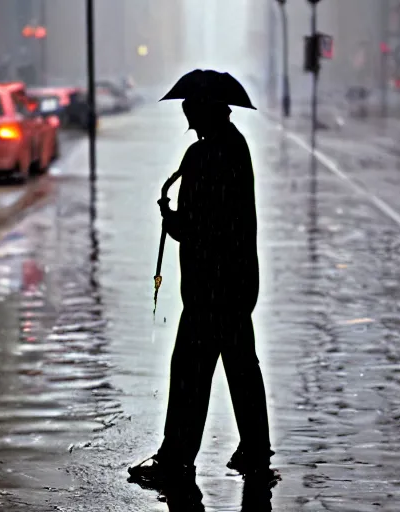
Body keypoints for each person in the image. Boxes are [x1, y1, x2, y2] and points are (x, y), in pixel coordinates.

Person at [128, 98, 277, 485]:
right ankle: (255, 450)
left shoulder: (202, 154)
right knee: (243, 367)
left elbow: (195, 227)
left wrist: (169, 217)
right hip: (239, 281)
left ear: (203, 113)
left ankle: (175, 458)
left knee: (189, 375)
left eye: (191, 112)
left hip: (209, 287)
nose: (188, 120)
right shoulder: (237, 145)